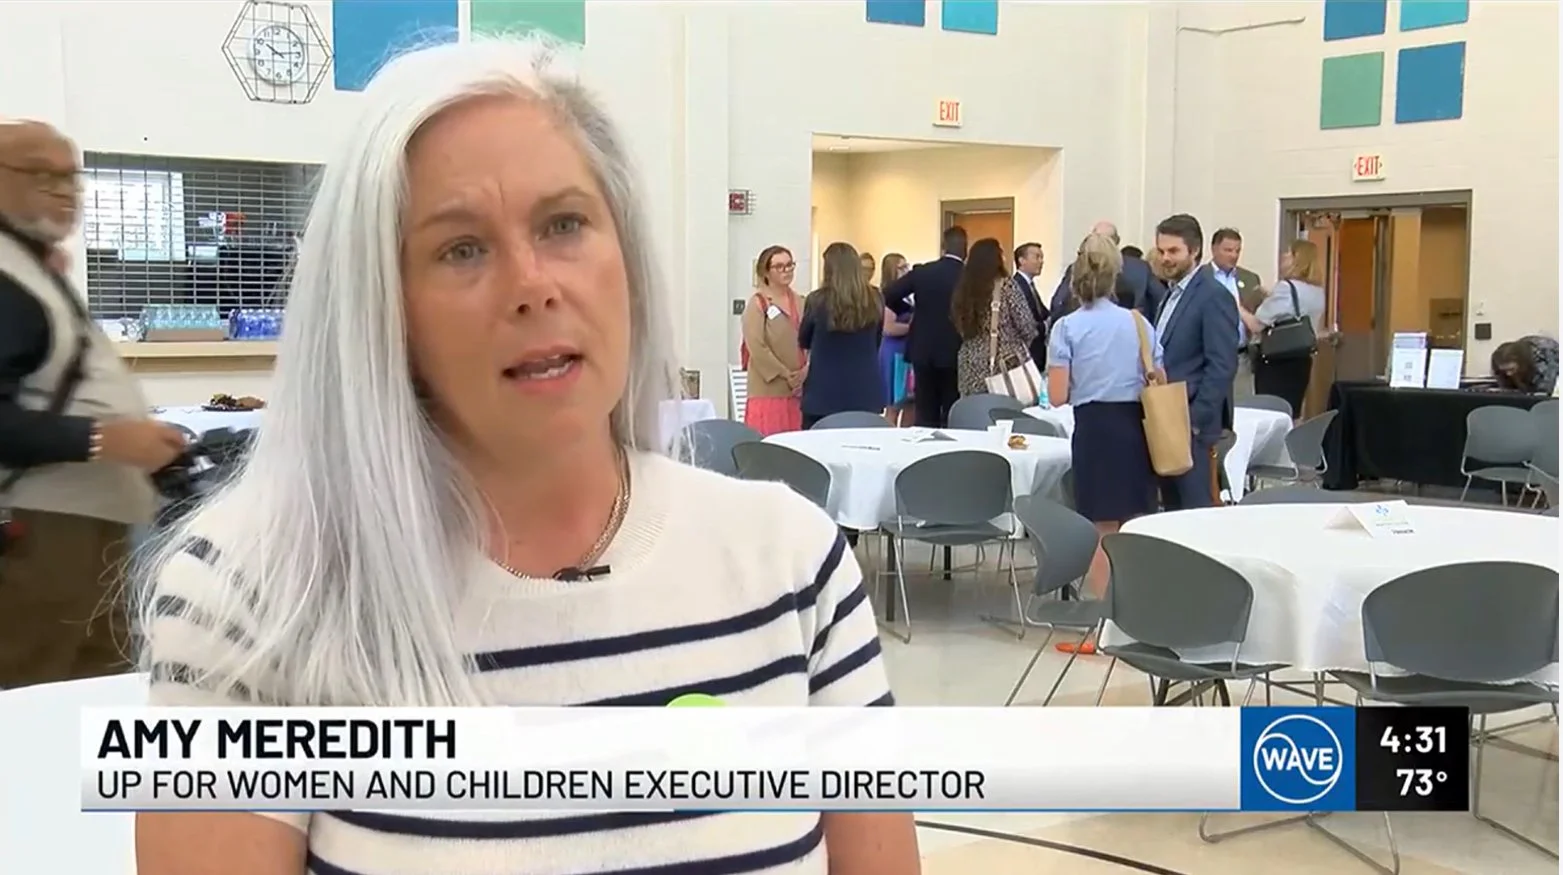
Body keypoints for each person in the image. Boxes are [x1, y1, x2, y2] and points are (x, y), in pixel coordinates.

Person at [134, 39, 916, 875]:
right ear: (383, 307)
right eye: (461, 247)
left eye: (564, 224)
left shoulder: (788, 563)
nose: (532, 284)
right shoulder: (249, 598)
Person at [0, 120, 186, 688]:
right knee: (36, 701)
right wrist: (108, 438)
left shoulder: (32, 266)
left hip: (93, 536)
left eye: (71, 177)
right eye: (40, 174)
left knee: (100, 697)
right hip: (43, 539)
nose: (64, 190)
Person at [1046, 233, 1163, 642]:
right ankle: (1144, 618)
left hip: (1094, 428)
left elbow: (1058, 395)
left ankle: (1109, 626)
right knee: (1137, 524)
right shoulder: (1139, 323)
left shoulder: (1067, 328)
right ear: (1116, 276)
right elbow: (1160, 378)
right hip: (1135, 428)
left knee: (1102, 530)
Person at [1149, 213, 1237, 510]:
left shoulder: (1213, 296)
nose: (1165, 258)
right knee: (1171, 513)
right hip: (1166, 421)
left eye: (1173, 251)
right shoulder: (1168, 295)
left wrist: (1195, 421)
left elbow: (1222, 365)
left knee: (1195, 513)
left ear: (1195, 251)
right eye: (1161, 251)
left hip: (1193, 428)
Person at [884, 225, 967, 427]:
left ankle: (925, 451)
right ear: (965, 249)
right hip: (954, 350)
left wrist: (911, 311)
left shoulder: (923, 272)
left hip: (922, 349)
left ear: (943, 247)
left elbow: (888, 294)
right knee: (951, 406)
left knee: (925, 408)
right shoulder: (968, 276)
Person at [799, 242, 885, 428]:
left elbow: (804, 340)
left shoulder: (817, 300)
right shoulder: (875, 299)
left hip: (823, 392)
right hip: (865, 390)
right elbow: (877, 339)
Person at [1240, 239, 1326, 418]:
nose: (1283, 256)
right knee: (1291, 414)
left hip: (1276, 361)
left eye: (1288, 253)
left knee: (1270, 414)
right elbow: (1296, 312)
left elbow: (1256, 325)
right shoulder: (1317, 290)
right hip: (1301, 360)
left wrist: (1234, 304)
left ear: (1297, 258)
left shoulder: (1286, 287)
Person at [951, 238, 1037, 398]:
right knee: (1004, 415)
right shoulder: (1006, 286)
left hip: (969, 364)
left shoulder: (963, 289)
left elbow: (958, 323)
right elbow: (1027, 326)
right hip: (1003, 366)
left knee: (974, 415)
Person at [740, 244, 806, 435]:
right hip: (768, 390)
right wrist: (785, 374)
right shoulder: (758, 303)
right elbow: (757, 347)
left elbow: (811, 340)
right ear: (766, 272)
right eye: (779, 266)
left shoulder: (802, 301)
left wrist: (804, 372)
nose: (786, 271)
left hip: (798, 392)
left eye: (789, 265)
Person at [1049, 221, 1160, 326]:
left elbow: (1058, 302)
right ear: (1117, 241)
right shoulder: (1140, 268)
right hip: (1131, 333)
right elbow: (1160, 300)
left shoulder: (1078, 268)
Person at [1208, 228, 1263, 402]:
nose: (1234, 255)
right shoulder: (1200, 277)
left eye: (1237, 250)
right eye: (1228, 250)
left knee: (1244, 408)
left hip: (1241, 358)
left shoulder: (1250, 279)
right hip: (1209, 359)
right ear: (1214, 249)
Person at [876, 252, 913, 424]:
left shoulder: (905, 295)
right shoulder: (890, 295)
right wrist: (913, 327)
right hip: (894, 352)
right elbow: (888, 328)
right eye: (902, 267)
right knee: (893, 403)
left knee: (908, 402)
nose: (906, 270)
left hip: (905, 349)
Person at [1012, 241, 1050, 365]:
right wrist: (1045, 326)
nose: (1041, 262)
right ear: (1022, 260)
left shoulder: (1030, 285)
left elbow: (1043, 313)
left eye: (1042, 258)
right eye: (1037, 257)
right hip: (1026, 355)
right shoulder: (1016, 286)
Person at [1492, 336, 1561, 395]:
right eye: (1505, 371)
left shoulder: (1543, 359)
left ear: (1520, 363)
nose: (1508, 374)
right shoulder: (1500, 365)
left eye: (1511, 369)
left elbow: (1545, 391)